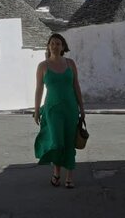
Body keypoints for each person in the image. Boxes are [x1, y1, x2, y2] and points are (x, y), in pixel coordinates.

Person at [34, 33, 85, 189]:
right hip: (52, 109)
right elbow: (39, 89)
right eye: (52, 43)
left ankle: (69, 177)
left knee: (69, 142)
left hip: (70, 108)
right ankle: (56, 173)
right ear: (48, 46)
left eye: (58, 43)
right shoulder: (43, 66)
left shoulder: (70, 64)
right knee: (57, 142)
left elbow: (76, 85)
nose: (55, 46)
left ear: (63, 47)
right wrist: (36, 110)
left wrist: (82, 107)